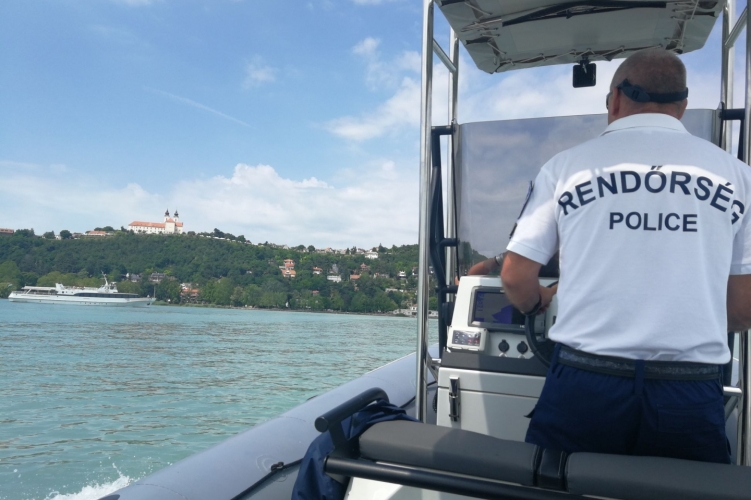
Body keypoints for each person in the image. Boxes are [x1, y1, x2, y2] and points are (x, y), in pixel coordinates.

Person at [500, 48, 751, 464]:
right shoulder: (739, 177)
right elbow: (743, 309)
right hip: (688, 389)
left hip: (584, 384)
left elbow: (514, 276)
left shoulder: (565, 168)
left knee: (558, 487)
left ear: (615, 98)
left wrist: (535, 303)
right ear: (683, 105)